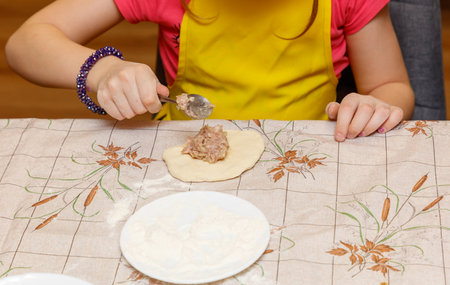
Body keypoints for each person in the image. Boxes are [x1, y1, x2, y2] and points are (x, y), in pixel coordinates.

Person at [5, 0, 414, 142]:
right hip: (183, 152)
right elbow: (25, 44)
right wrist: (101, 69)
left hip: (306, 155)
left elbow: (392, 86)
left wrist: (375, 105)